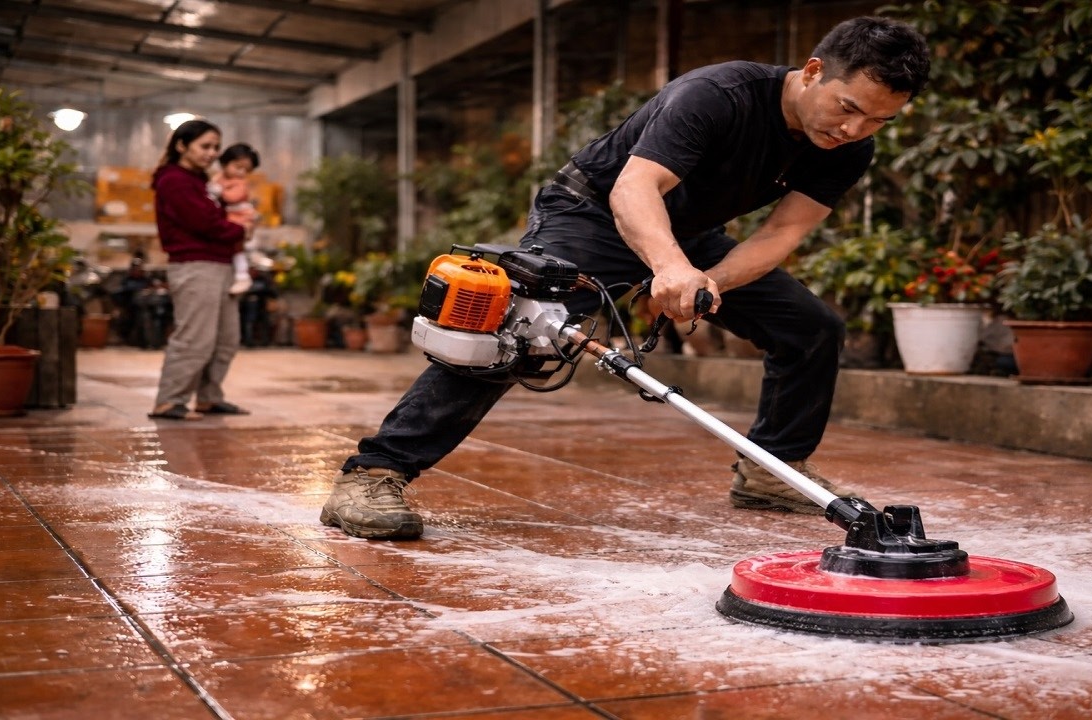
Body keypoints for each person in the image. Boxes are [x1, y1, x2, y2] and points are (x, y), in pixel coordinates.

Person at [320, 16, 931, 539]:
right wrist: (670, 267)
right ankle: (375, 472)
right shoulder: (718, 94)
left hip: (691, 234)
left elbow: (781, 234)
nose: (853, 130)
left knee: (811, 328)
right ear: (815, 70)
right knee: (526, 326)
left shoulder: (848, 149)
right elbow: (635, 188)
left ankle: (772, 469)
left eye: (878, 121)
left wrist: (705, 282)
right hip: (592, 211)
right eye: (849, 108)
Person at [148, 119, 254, 421]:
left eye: (216, 147)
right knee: (195, 336)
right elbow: (204, 223)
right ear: (182, 146)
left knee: (225, 338)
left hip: (221, 264)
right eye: (205, 146)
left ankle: (209, 397)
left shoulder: (199, 180)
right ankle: (169, 400)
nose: (212, 153)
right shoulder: (174, 179)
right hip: (195, 265)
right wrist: (240, 230)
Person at [208, 143, 261, 296]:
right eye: (238, 167)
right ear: (225, 163)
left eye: (246, 170)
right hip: (229, 217)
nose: (241, 172)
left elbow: (233, 197)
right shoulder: (218, 178)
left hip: (239, 217)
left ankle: (242, 275)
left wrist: (220, 192)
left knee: (238, 248)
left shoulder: (240, 183)